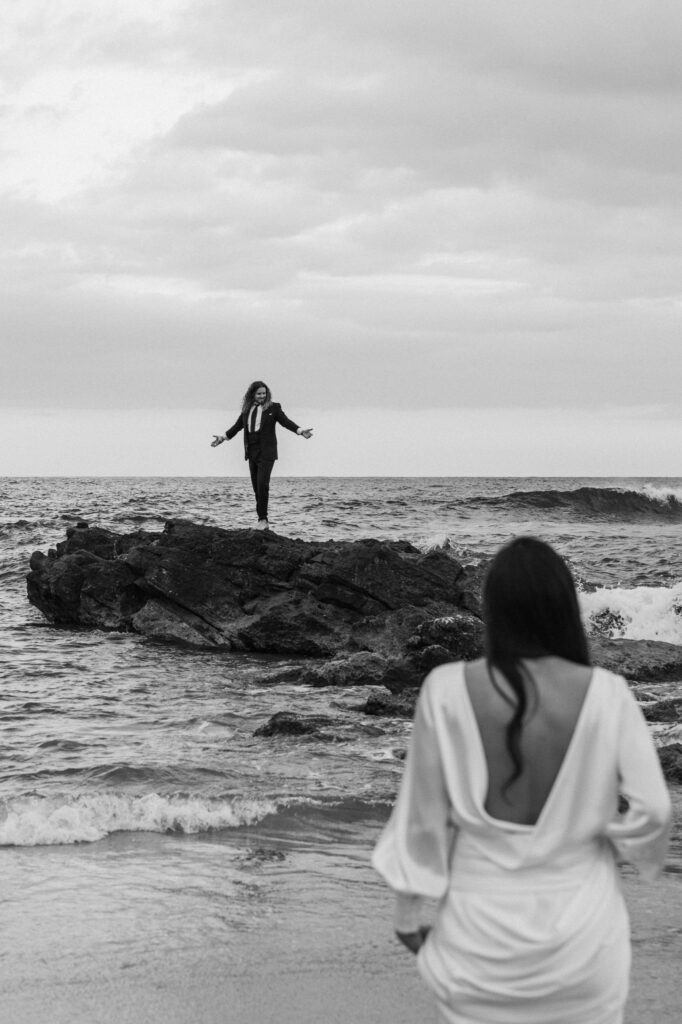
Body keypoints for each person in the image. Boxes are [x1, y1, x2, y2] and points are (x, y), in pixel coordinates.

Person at [372, 536, 671, 1024]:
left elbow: (422, 817)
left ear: (494, 610)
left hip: (477, 940)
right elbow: (654, 810)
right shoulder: (608, 694)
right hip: (582, 945)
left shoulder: (445, 690)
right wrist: (604, 840)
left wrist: (408, 915)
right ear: (564, 609)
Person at [211, 381, 313, 530]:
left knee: (262, 484)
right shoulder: (247, 410)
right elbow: (237, 427)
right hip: (251, 451)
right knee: (256, 487)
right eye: (259, 394)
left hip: (267, 451)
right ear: (252, 394)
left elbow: (285, 422)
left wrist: (300, 430)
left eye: (264, 393)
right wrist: (222, 438)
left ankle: (263, 520)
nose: (262, 396)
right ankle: (261, 519)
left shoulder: (273, 408)